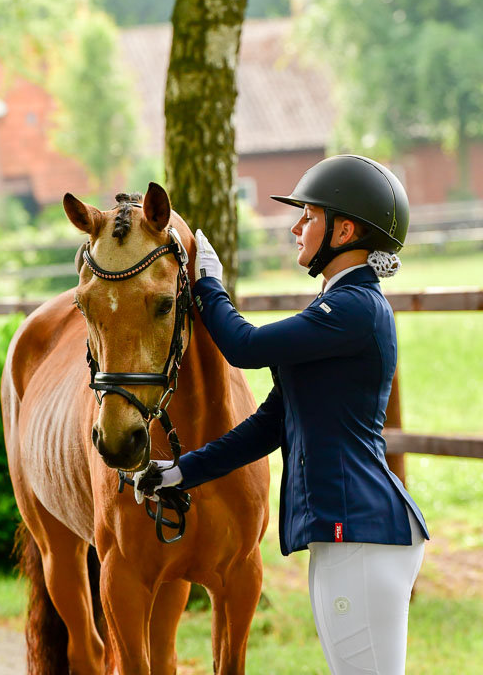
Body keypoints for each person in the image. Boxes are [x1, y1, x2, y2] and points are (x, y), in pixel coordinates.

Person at [154, 154, 429, 675]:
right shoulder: (337, 308)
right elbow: (270, 425)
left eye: (309, 214)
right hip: (345, 534)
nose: (296, 227)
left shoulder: (352, 309)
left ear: (344, 229)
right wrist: (181, 471)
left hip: (362, 535)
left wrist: (208, 283)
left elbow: (245, 345)